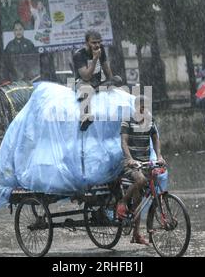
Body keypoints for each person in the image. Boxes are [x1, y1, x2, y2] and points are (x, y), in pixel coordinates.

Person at [116, 96, 166, 246]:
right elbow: (123, 142)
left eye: (146, 108)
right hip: (130, 164)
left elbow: (156, 138)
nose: (144, 111)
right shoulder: (127, 120)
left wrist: (159, 156)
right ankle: (122, 201)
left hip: (145, 162)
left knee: (142, 197)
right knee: (141, 181)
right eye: (142, 108)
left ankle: (136, 234)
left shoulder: (150, 120)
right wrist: (130, 159)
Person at [72, 30, 122, 131]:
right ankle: (84, 118)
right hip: (82, 82)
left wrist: (111, 82)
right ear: (87, 43)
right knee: (86, 88)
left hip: (97, 84)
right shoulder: (79, 55)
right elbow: (85, 76)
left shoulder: (101, 50)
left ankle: (95, 91)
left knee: (118, 79)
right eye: (94, 43)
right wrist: (94, 59)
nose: (97, 45)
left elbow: (108, 72)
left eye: (99, 42)